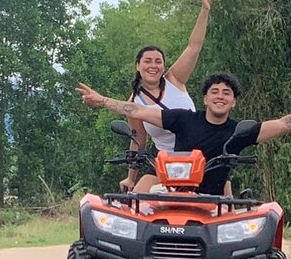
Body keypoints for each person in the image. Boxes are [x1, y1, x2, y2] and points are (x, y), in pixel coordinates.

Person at [76, 73, 291, 196]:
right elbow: (137, 110)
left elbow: (282, 124)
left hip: (214, 206)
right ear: (205, 99)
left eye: (227, 93)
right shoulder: (184, 119)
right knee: (131, 211)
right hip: (173, 196)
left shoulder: (238, 131)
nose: (220, 96)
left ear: (233, 102)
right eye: (214, 92)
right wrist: (103, 100)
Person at [121, 0, 216, 191]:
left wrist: (204, 10)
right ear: (138, 66)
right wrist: (130, 178)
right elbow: (139, 141)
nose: (153, 66)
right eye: (148, 61)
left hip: (199, 156)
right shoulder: (134, 103)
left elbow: (193, 47)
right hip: (165, 163)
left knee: (220, 196)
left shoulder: (175, 79)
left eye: (158, 61)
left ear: (164, 65)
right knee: (136, 200)